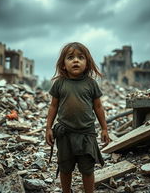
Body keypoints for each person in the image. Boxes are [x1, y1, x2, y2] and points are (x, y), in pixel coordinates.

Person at [45, 42, 110, 193]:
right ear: (63, 64)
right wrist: (48, 128)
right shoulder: (59, 84)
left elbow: (98, 107)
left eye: (80, 57)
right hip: (64, 133)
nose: (75, 60)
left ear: (87, 64)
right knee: (65, 167)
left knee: (87, 169)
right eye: (70, 57)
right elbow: (53, 106)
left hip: (86, 134)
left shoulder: (91, 84)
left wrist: (104, 129)